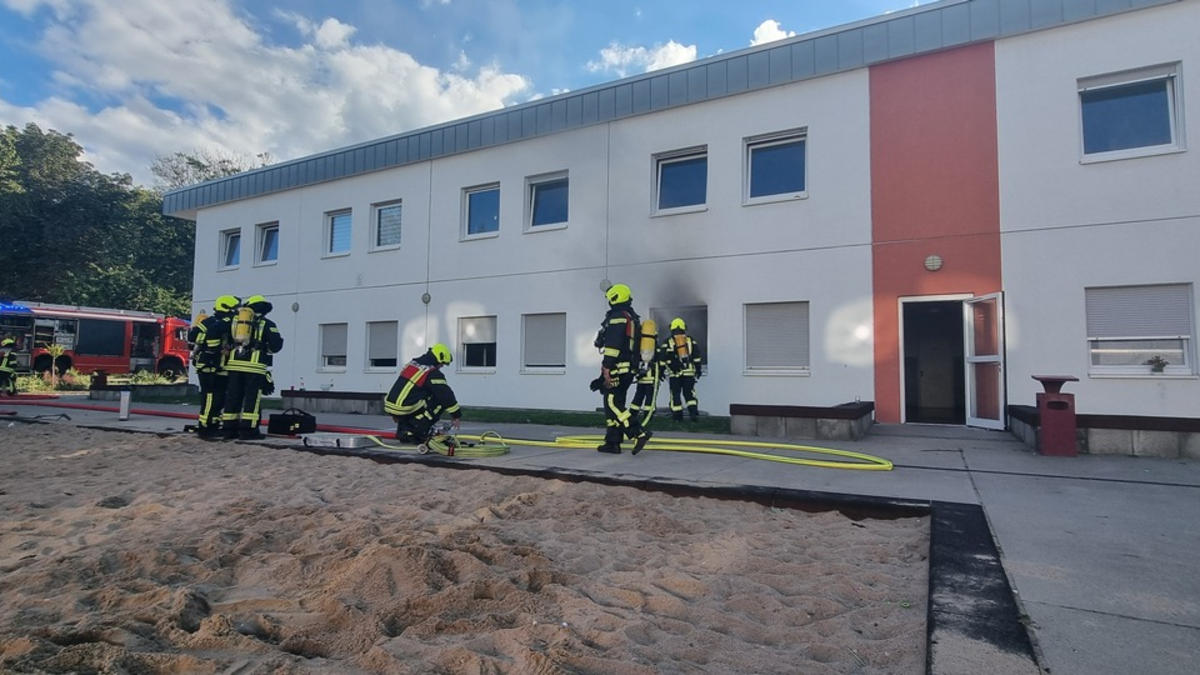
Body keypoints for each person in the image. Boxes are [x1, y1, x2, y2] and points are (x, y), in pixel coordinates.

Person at [594, 283, 652, 455]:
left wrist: (607, 367)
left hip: (618, 368)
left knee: (613, 403)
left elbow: (613, 346)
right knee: (612, 403)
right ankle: (613, 442)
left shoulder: (618, 317)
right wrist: (601, 378)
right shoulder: (631, 317)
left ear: (614, 298)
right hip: (627, 369)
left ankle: (638, 432)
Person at [221, 295, 283, 440]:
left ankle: (229, 430)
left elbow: (221, 336)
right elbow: (276, 345)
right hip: (254, 367)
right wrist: (264, 349)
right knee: (252, 399)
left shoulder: (235, 322)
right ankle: (248, 431)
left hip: (234, 366)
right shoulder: (267, 324)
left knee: (233, 397)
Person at [383, 343, 461, 444]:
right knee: (438, 401)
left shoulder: (412, 364)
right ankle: (417, 432)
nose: (441, 366)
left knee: (422, 396)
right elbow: (445, 395)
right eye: (442, 364)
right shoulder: (432, 373)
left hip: (390, 404)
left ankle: (404, 431)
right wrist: (456, 415)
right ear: (438, 358)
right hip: (404, 407)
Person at [187, 295, 239, 440]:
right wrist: (213, 349)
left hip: (221, 367)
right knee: (209, 397)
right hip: (208, 366)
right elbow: (192, 336)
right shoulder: (215, 322)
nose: (237, 311)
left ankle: (214, 425)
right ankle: (205, 427)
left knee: (220, 398)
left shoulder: (217, 321)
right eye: (235, 308)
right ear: (227, 307)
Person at [660, 317, 703, 422]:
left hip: (674, 374)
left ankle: (677, 417)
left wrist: (661, 371)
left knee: (675, 394)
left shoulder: (668, 341)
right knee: (689, 393)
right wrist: (698, 369)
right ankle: (693, 414)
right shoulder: (690, 340)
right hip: (688, 373)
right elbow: (697, 355)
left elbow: (662, 358)